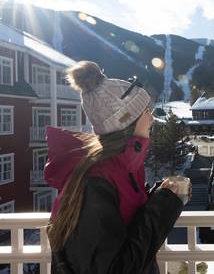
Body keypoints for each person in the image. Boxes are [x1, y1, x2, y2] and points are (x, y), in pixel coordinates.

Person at [45, 61, 186, 273]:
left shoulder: (118, 167)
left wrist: (159, 195)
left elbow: (121, 217)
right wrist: (164, 207)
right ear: (128, 123)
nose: (152, 117)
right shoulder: (95, 181)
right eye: (146, 110)